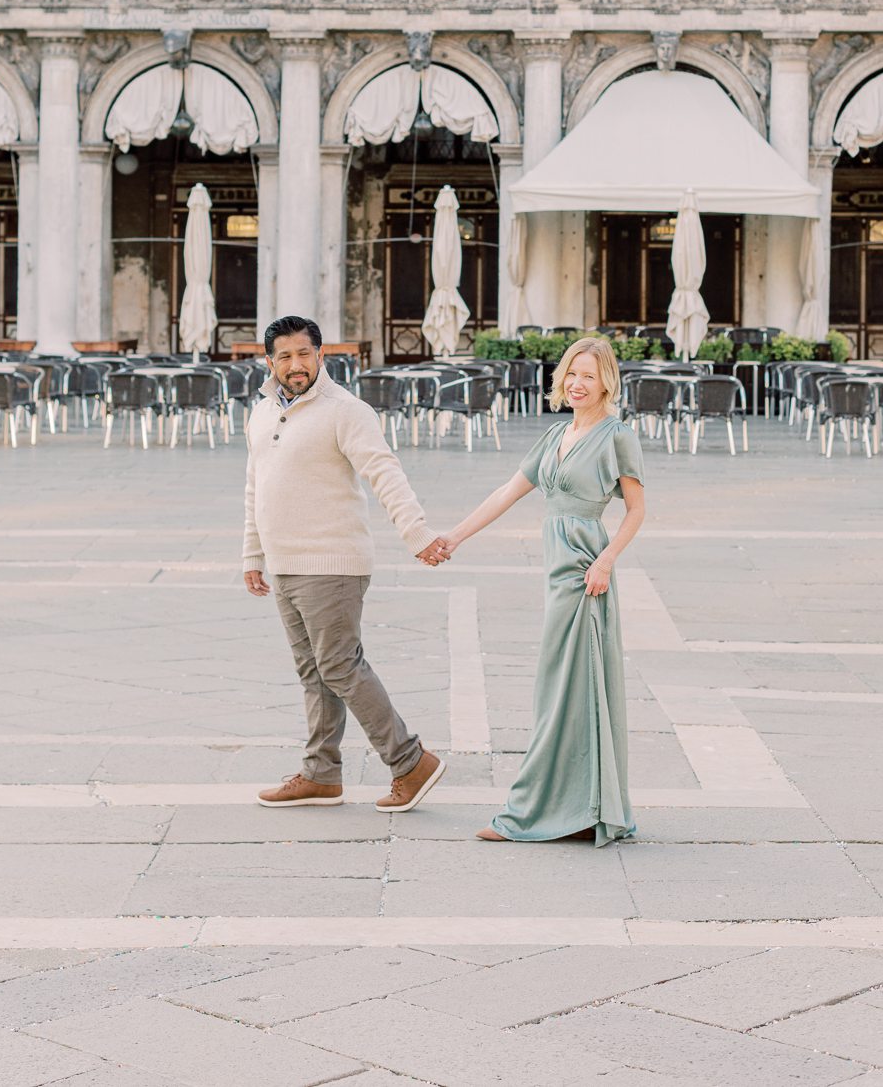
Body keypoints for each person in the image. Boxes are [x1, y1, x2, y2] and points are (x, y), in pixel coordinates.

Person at [441, 336, 645, 845]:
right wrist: (453, 537)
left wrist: (605, 560)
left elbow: (637, 509)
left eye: (590, 376)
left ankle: (540, 809)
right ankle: (569, 805)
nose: (578, 383)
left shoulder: (617, 435)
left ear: (606, 383)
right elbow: (507, 492)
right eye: (572, 373)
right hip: (557, 570)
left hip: (584, 570)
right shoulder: (557, 433)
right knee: (560, 686)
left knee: (570, 687)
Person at [245, 315, 452, 813]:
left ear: (322, 356)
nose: (296, 365)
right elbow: (256, 486)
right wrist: (253, 554)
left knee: (339, 665)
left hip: (332, 560)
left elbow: (384, 472)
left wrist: (416, 533)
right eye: (285, 356)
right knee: (312, 671)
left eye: (305, 354)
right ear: (269, 361)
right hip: (285, 562)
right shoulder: (261, 412)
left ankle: (410, 761)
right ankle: (321, 774)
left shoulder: (346, 410)